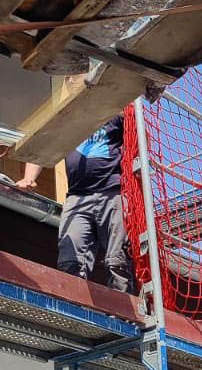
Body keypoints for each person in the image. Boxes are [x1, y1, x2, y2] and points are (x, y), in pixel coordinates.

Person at [18, 113, 132, 292]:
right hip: (77, 196)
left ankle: (123, 314)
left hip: (112, 191)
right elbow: (44, 145)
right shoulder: (69, 117)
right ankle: (75, 309)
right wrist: (28, 178)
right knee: (69, 261)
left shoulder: (114, 111)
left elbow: (139, 138)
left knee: (117, 260)